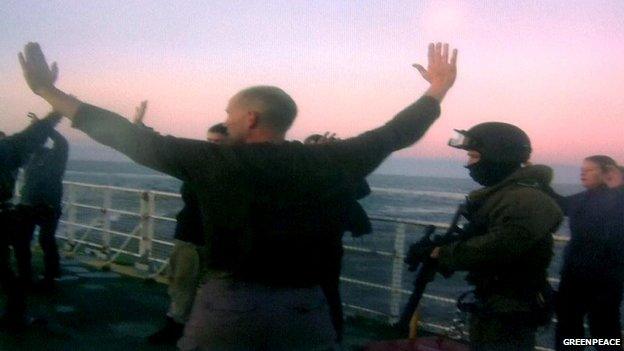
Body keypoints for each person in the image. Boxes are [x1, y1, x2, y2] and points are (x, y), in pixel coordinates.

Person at [18, 41, 457, 349]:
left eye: (229, 113)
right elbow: (395, 134)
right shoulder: (330, 160)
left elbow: (125, 136)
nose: (225, 122)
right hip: (308, 305)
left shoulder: (212, 161)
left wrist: (46, 91)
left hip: (231, 303)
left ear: (250, 117)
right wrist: (437, 88)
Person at [433, 122, 563, 350]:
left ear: (498, 156)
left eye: (474, 156)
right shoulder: (505, 194)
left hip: (511, 308)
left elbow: (500, 246)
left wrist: (444, 253)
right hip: (493, 302)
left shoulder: (526, 198)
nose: (469, 164)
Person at [134, 100, 229, 344]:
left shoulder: (237, 171)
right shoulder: (196, 167)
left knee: (219, 291)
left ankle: (207, 333)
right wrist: (141, 129)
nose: (212, 147)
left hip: (221, 241)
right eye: (209, 142)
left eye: (218, 142)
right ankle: (175, 328)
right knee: (181, 287)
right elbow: (166, 152)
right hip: (190, 237)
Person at [304, 132, 372, 343]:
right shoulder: (299, 172)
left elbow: (361, 190)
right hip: (308, 243)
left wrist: (339, 161)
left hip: (325, 245)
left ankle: (334, 336)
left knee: (328, 293)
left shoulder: (336, 172)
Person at [554, 155, 624, 351]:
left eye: (590, 169)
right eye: (582, 168)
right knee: (568, 326)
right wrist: (536, 177)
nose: (582, 172)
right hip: (574, 275)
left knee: (604, 330)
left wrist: (619, 188)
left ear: (608, 173)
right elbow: (558, 204)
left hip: (605, 279)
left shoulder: (619, 199)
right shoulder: (583, 199)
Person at [0, 112, 61, 329]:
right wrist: (57, 110)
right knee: (6, 270)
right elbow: (29, 139)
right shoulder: (6, 149)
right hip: (6, 211)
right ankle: (16, 315)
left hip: (31, 208)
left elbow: (30, 140)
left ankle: (19, 307)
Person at [15, 111, 68, 291]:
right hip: (28, 204)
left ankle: (50, 277)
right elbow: (27, 142)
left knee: (46, 241)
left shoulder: (57, 156)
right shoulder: (31, 157)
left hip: (48, 206)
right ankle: (25, 275)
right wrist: (38, 126)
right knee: (22, 242)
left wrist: (44, 126)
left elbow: (62, 143)